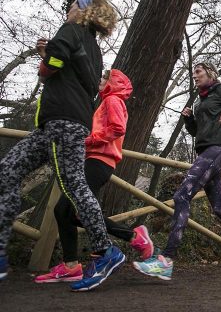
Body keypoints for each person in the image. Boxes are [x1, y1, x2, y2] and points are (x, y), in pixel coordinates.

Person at [0, 0, 124, 291]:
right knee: (6, 172)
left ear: (83, 11)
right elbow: (71, 71)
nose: (68, 10)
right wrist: (52, 56)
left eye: (72, 6)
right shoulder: (94, 49)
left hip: (64, 123)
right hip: (55, 124)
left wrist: (48, 56)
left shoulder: (70, 29)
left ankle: (105, 252)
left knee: (74, 186)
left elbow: (52, 67)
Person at [133, 62, 221, 280]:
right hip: (206, 150)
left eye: (198, 72)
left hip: (218, 148)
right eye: (193, 73)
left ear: (211, 73)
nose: (194, 76)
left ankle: (166, 259)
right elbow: (196, 132)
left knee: (182, 194)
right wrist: (189, 119)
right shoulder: (200, 101)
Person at [34, 69, 154, 284]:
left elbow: (117, 128)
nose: (100, 80)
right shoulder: (105, 102)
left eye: (104, 78)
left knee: (66, 209)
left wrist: (86, 140)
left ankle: (132, 238)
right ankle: (72, 265)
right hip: (93, 160)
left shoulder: (113, 100)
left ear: (113, 82)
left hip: (98, 161)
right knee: (70, 213)